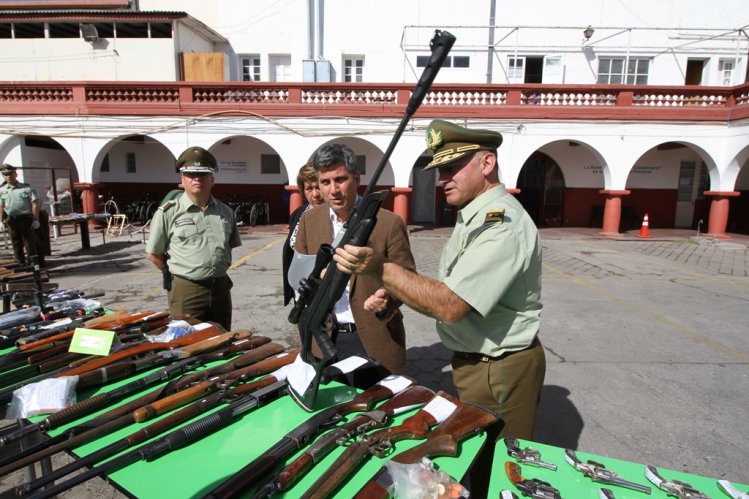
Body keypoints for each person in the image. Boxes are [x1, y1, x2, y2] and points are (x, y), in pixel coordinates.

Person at [335, 120, 545, 493]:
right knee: (478, 466)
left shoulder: (501, 223)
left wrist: (380, 269)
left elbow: (450, 305)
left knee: (498, 474)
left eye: (452, 168)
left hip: (499, 369)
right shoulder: (474, 214)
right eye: (438, 170)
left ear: (487, 163)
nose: (442, 179)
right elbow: (451, 289)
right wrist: (396, 293)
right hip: (478, 363)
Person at [294, 143, 416, 380]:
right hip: (325, 338)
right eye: (325, 182)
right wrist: (313, 280)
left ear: (357, 178)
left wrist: (388, 298)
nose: (333, 190)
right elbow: (299, 274)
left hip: (373, 337)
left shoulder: (388, 223)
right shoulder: (309, 221)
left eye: (340, 179)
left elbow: (408, 276)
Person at [146, 147, 241, 330]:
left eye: (203, 174)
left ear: (212, 179)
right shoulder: (169, 212)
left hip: (220, 288)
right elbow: (154, 254)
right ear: (182, 180)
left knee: (221, 339)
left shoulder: (225, 211)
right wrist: (174, 274)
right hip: (186, 290)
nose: (197, 178)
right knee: (186, 341)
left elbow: (229, 246)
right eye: (191, 174)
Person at [282, 163, 324, 305]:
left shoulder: (335, 217)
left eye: (318, 187)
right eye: (309, 188)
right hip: (300, 291)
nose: (315, 194)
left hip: (322, 294)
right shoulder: (298, 214)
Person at [0, 164, 43, 266]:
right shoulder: (2, 190)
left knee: (29, 243)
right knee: (16, 243)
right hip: (11, 219)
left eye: (10, 173)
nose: (8, 176)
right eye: (5, 174)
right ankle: (21, 263)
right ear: (3, 176)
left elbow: (35, 202)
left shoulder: (26, 188)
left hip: (26, 219)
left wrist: (35, 219)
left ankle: (33, 265)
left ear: (15, 174)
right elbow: (1, 206)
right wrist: (1, 221)